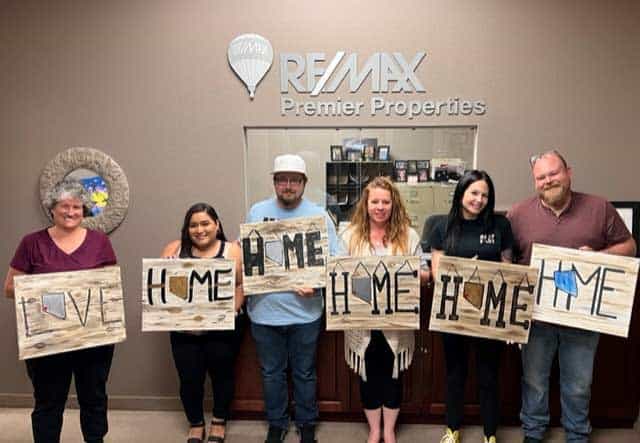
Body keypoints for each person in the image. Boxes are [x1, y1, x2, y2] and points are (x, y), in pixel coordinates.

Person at [507, 150, 636, 443]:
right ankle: (533, 432)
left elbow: (629, 245)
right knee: (534, 381)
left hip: (582, 317)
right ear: (534, 181)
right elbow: (509, 259)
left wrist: (599, 256)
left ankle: (577, 434)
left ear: (569, 173)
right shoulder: (518, 214)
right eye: (541, 177)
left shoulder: (599, 207)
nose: (548, 181)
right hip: (536, 317)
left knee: (578, 384)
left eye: (554, 173)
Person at [3, 179, 117, 443]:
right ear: (51, 208)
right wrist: (50, 289)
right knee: (48, 402)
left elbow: (108, 288)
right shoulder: (31, 242)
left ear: (84, 210)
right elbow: (10, 288)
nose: (71, 212)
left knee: (94, 398)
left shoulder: (100, 242)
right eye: (64, 206)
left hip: (93, 340)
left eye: (77, 207)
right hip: (48, 341)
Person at [245, 154, 341, 443]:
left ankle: (307, 422)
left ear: (304, 183)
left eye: (294, 180)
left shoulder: (319, 216)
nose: (288, 185)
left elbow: (335, 261)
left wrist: (318, 283)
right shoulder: (256, 212)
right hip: (264, 311)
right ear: (274, 182)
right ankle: (277, 422)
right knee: (272, 373)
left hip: (305, 313)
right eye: (282, 180)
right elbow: (249, 255)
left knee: (305, 372)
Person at [340, 176, 429, 443]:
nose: (380, 207)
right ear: (365, 204)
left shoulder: (408, 235)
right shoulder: (349, 235)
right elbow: (337, 273)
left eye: (386, 202)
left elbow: (424, 272)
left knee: (392, 375)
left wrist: (419, 273)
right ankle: (374, 430)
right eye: (375, 201)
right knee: (368, 375)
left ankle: (389, 430)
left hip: (395, 323)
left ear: (394, 204)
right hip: (361, 322)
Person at [429, 170, 514, 443]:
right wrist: (465, 271)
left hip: (489, 313)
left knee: (489, 374)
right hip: (454, 313)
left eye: (485, 195)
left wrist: (484, 270)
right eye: (474, 193)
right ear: (462, 193)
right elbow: (436, 271)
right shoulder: (441, 226)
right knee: (455, 373)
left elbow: (507, 267)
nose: (479, 200)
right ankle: (452, 430)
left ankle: (490, 434)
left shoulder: (500, 226)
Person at [160, 203, 246, 443]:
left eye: (205, 223)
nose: (200, 229)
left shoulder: (232, 251)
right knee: (189, 378)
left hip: (222, 329)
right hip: (184, 330)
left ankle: (219, 421)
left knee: (223, 376)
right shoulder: (174, 249)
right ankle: (195, 423)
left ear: (217, 225)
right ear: (187, 229)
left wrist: (229, 312)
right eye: (193, 225)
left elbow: (241, 285)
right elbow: (161, 289)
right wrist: (166, 268)